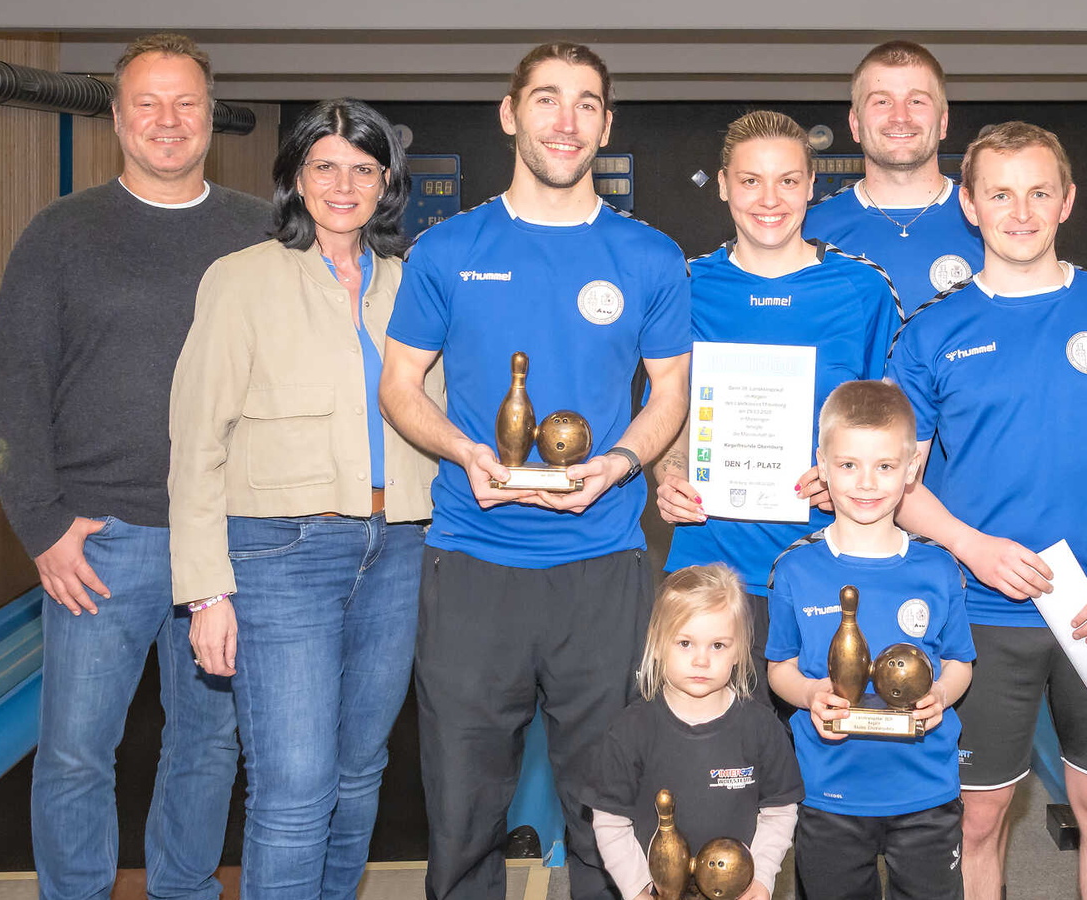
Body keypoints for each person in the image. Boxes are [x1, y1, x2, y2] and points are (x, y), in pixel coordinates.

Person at [379, 42, 692, 900]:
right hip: (474, 562)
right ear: (510, 114)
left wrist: (623, 460)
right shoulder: (446, 251)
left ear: (606, 125)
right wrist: (465, 450)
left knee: (609, 812)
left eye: (587, 103)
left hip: (604, 566)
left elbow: (669, 393)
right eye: (547, 99)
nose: (566, 120)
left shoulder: (650, 256)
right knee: (464, 812)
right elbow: (400, 387)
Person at [0, 33, 270, 900]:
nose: (167, 121)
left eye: (186, 103)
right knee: (76, 751)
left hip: (219, 541)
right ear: (116, 117)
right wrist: (42, 527)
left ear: (211, 117)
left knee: (208, 743)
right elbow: (14, 388)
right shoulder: (61, 233)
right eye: (147, 103)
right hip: (100, 542)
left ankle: (183, 887)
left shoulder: (259, 232)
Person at [886, 122, 1087, 900]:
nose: (1021, 212)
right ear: (971, 204)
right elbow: (895, 482)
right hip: (976, 610)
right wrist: (970, 545)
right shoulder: (932, 332)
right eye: (1001, 193)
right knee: (975, 819)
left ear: (1067, 201)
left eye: (1039, 192)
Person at [167, 98, 438, 900]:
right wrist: (207, 590)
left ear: (386, 182)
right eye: (324, 165)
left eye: (363, 167)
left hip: (397, 548)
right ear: (295, 177)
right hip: (279, 553)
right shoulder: (241, 280)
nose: (344, 183)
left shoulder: (409, 282)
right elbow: (195, 442)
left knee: (360, 775)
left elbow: (446, 409)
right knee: (293, 788)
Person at [657, 109, 901, 707]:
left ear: (811, 186)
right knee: (710, 773)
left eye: (788, 180)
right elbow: (667, 410)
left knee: (825, 769)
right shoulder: (686, 285)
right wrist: (667, 474)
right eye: (750, 181)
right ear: (722, 186)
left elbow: (894, 430)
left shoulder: (862, 289)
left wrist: (850, 479)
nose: (770, 199)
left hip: (829, 567)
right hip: (711, 572)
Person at [766, 379, 975, 900]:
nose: (866, 482)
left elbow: (959, 662)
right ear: (822, 463)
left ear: (911, 469)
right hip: (829, 791)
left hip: (926, 789)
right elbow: (780, 668)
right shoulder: (795, 569)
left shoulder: (939, 568)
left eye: (885, 466)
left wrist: (942, 695)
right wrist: (811, 694)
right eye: (848, 464)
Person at [580, 564, 803, 900]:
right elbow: (611, 822)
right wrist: (637, 887)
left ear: (740, 651)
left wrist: (762, 876)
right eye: (685, 643)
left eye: (718, 645)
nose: (701, 660)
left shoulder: (762, 728)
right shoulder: (629, 730)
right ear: (656, 645)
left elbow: (779, 811)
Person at [804, 40, 982, 315]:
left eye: (916, 100)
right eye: (882, 101)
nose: (900, 116)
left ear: (943, 123)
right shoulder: (807, 232)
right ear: (855, 124)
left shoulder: (993, 222)